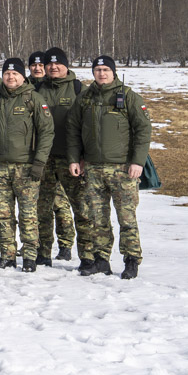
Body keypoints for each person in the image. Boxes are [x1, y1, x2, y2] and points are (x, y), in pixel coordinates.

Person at [68, 55, 151, 279]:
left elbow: (143, 130)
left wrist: (137, 162)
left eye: (106, 69)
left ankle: (131, 260)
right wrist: (75, 159)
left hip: (122, 169)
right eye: (97, 70)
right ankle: (101, 260)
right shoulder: (85, 98)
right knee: (97, 217)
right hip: (93, 169)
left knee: (126, 217)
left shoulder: (129, 97)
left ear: (113, 72)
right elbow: (74, 130)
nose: (101, 73)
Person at [0, 58, 53, 271]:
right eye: (7, 73)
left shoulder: (33, 99)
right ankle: (7, 255)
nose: (10, 77)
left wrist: (39, 162)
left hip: (26, 168)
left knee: (27, 214)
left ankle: (29, 256)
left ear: (22, 76)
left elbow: (46, 133)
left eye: (15, 73)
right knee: (2, 214)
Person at [36, 48, 91, 266]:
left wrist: (83, 157)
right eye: (49, 64)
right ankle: (43, 253)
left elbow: (88, 126)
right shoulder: (37, 89)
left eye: (58, 63)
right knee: (42, 209)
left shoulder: (79, 90)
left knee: (82, 209)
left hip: (72, 160)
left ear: (66, 65)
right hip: (44, 159)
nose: (53, 67)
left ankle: (87, 256)